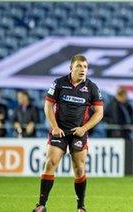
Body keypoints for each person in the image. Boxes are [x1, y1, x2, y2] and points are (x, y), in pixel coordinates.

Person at [34, 54, 104, 212]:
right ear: (71, 68)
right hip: (59, 131)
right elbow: (48, 106)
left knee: (79, 168)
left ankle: (81, 207)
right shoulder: (59, 83)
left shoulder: (92, 87)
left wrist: (84, 129)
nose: (82, 69)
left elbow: (99, 113)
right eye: (79, 66)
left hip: (79, 132)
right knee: (50, 163)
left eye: (85, 67)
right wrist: (54, 126)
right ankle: (41, 205)